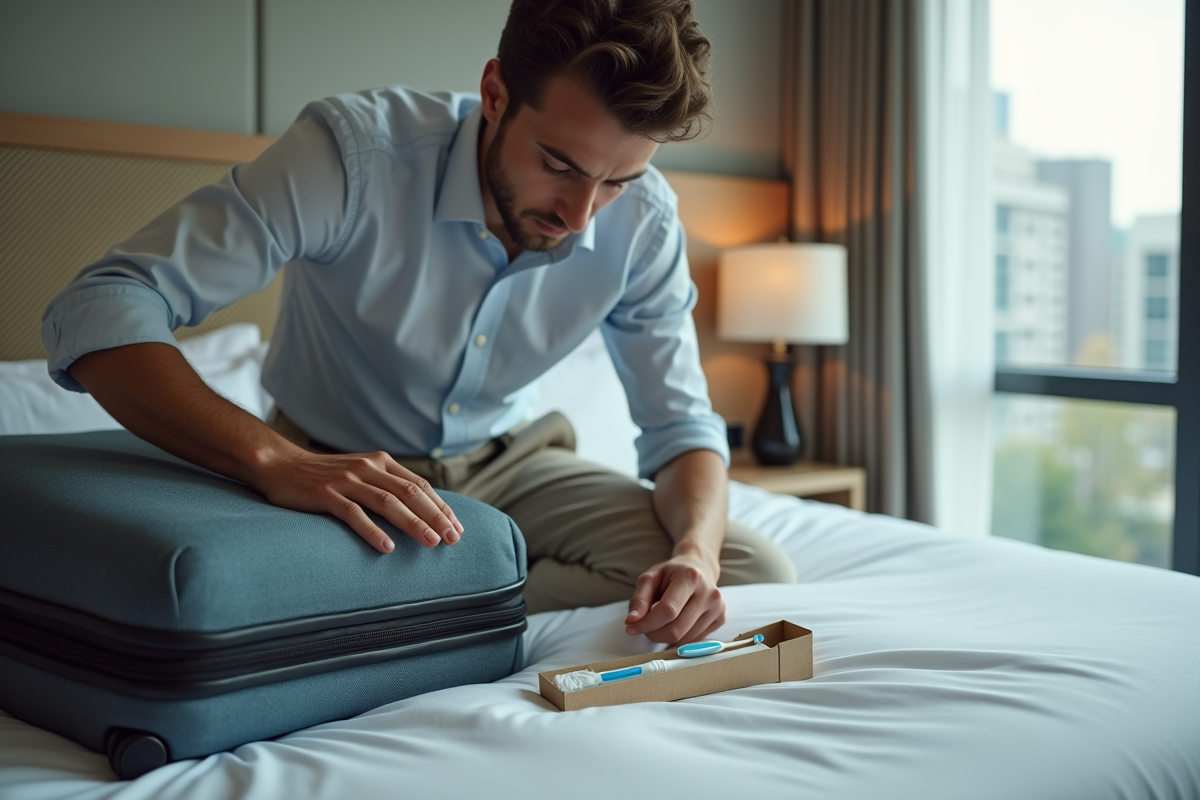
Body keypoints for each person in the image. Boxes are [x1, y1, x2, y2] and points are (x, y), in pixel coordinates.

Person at [41, 0, 795, 645]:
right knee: (216, 600)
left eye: (618, 182)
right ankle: (459, 592)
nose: (580, 215)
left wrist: (695, 554)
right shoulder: (351, 158)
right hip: (333, 475)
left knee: (746, 567)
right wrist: (276, 462)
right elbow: (103, 303)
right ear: (495, 92)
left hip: (513, 467)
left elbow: (682, 430)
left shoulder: (648, 222)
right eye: (561, 165)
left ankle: (426, 604)